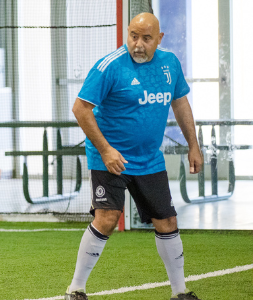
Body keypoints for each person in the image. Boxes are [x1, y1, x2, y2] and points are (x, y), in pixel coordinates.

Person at [65, 13, 201, 300]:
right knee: (107, 218)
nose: (138, 44)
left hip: (149, 159)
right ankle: (76, 288)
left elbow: (180, 102)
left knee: (167, 222)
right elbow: (80, 109)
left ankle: (180, 292)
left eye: (146, 38)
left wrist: (194, 145)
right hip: (109, 156)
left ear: (159, 39)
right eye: (133, 36)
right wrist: (105, 149)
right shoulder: (110, 66)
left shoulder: (170, 64)